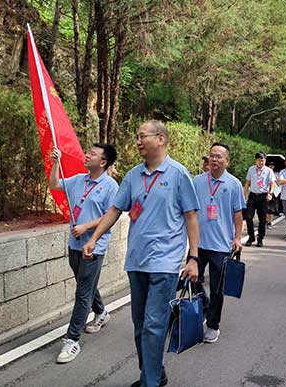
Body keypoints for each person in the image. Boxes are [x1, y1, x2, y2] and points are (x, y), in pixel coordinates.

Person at [84, 120, 200, 387]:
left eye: (142, 136)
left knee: (153, 324)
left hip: (165, 263)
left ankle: (150, 382)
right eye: (136, 136)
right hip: (137, 261)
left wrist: (192, 258)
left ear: (160, 139)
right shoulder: (133, 175)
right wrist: (94, 237)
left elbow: (191, 217)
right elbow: (114, 209)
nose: (137, 141)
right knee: (140, 326)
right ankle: (154, 372)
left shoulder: (178, 174)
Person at [50, 143, 119, 364]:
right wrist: (54, 164)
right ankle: (101, 313)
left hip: (93, 245)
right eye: (88, 151)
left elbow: (110, 216)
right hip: (74, 243)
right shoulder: (79, 179)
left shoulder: (110, 186)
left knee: (82, 292)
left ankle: (72, 340)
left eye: (92, 154)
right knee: (85, 284)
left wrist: (87, 227)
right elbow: (55, 184)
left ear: (103, 162)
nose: (87, 155)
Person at [193, 142, 245, 344]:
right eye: (211, 155)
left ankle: (213, 325)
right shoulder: (197, 181)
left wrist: (237, 237)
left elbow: (238, 213)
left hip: (221, 246)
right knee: (192, 280)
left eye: (219, 156)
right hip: (199, 242)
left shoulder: (233, 184)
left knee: (217, 288)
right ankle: (205, 307)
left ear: (227, 161)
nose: (214, 159)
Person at [244, 152, 275, 247]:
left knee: (262, 219)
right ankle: (251, 237)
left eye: (263, 160)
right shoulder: (251, 169)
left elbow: (272, 183)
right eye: (259, 160)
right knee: (249, 217)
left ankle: (260, 239)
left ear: (265, 161)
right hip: (253, 195)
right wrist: (243, 195)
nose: (261, 162)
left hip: (263, 196)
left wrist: (270, 193)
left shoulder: (269, 171)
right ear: (255, 160)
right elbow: (247, 183)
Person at [266, 161, 281, 229]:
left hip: (274, 192)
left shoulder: (277, 173)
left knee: (272, 209)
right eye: (270, 165)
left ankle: (270, 222)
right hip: (265, 192)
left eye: (273, 165)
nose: (271, 166)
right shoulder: (265, 173)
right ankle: (265, 221)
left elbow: (279, 183)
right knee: (265, 208)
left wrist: (274, 178)